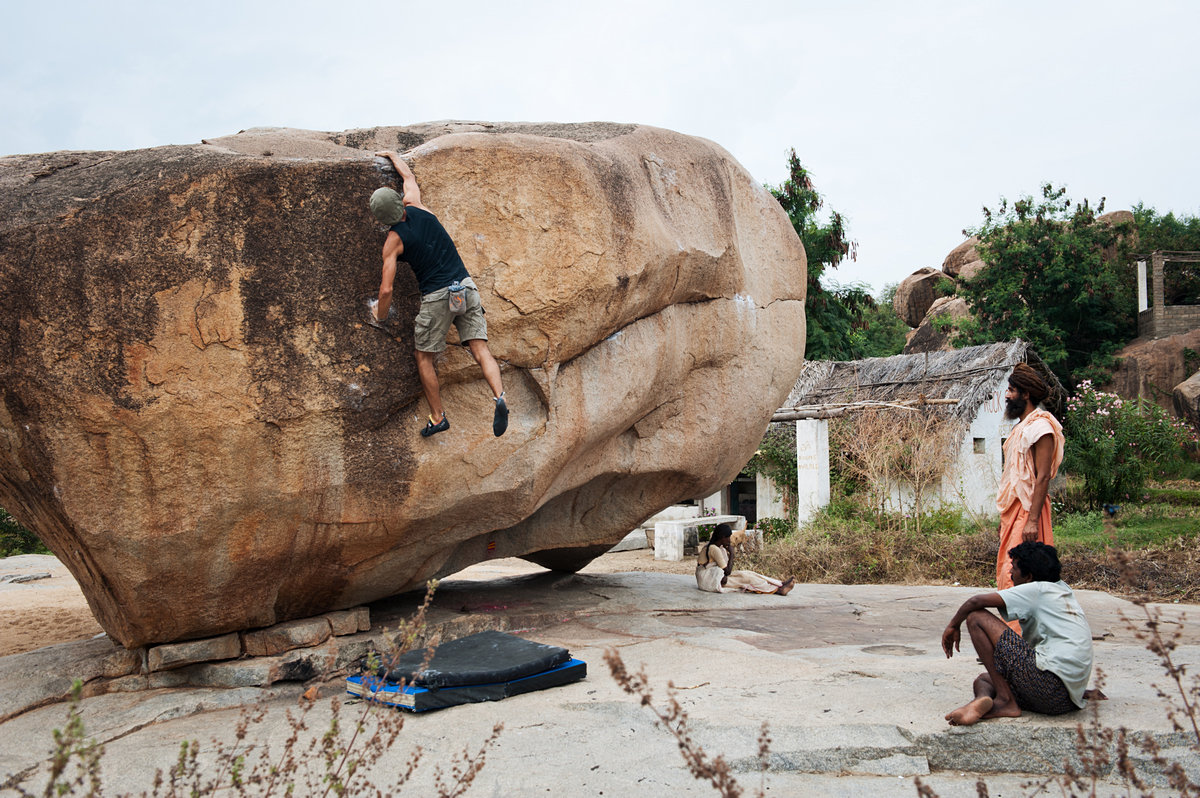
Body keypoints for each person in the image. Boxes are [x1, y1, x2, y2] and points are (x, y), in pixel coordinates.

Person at [368, 150, 508, 438]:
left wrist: (379, 315)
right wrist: (393, 156)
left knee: (424, 358)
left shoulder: (393, 241)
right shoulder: (418, 206)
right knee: (481, 350)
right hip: (466, 288)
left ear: (381, 219)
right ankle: (500, 396)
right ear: (400, 202)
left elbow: (386, 289)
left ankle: (438, 417)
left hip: (438, 296)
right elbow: (408, 176)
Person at [941, 541, 1094, 726]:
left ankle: (1006, 701)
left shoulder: (1037, 590)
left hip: (1048, 685)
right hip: (1063, 701)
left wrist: (953, 625)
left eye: (1013, 568)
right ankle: (982, 701)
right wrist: (1077, 689)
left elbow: (975, 601)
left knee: (976, 617)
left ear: (1028, 576)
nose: (1010, 573)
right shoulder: (1063, 590)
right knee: (984, 680)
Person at [995, 363, 1064, 630]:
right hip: (1014, 511)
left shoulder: (1041, 428)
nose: (1007, 395)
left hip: (1029, 512)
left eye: (1011, 390)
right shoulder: (1021, 428)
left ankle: (1021, 645)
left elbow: (1043, 476)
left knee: (1022, 575)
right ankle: (1012, 642)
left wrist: (1033, 520)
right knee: (1008, 571)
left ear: (1026, 394)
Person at [695, 524, 795, 595]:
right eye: (728, 537)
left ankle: (779, 583)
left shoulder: (717, 547)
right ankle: (778, 590)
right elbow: (728, 572)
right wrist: (732, 554)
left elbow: (724, 571)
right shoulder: (714, 549)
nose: (729, 540)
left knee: (747, 573)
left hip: (715, 576)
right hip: (709, 581)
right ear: (722, 537)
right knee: (747, 580)